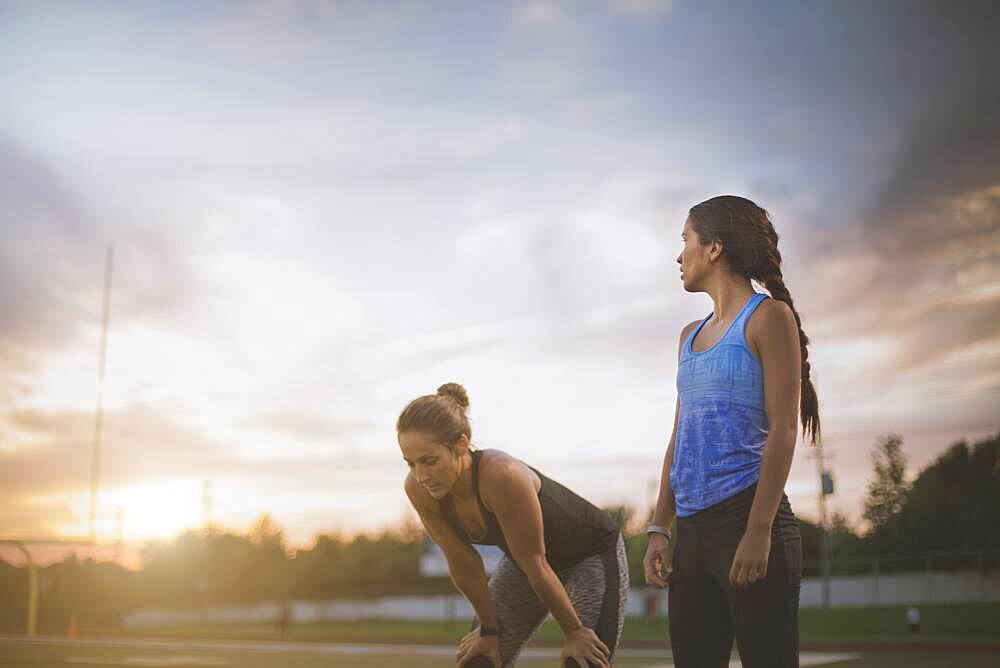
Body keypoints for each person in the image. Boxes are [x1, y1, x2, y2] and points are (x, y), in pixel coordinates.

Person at [643, 195, 816, 668]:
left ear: (714, 247)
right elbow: (680, 440)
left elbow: (783, 428)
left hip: (749, 519)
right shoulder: (688, 337)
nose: (680, 256)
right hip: (693, 534)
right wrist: (661, 526)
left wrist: (759, 531)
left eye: (686, 240)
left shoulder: (768, 318)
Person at [398, 383, 628, 668]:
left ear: (460, 444)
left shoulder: (501, 475)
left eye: (429, 461)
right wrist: (488, 630)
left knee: (584, 661)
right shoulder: (420, 491)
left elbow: (537, 562)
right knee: (480, 660)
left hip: (589, 555)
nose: (421, 475)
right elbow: (463, 562)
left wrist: (574, 631)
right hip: (526, 564)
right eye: (411, 464)